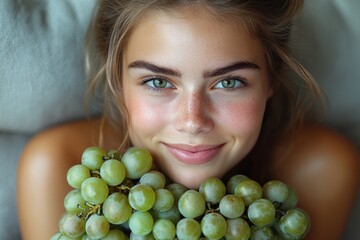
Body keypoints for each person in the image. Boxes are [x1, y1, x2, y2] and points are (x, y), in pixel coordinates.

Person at [17, 0, 359, 239]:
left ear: (272, 79)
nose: (192, 121)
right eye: (158, 82)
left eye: (228, 82)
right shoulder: (58, 167)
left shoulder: (321, 169)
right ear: (118, 80)